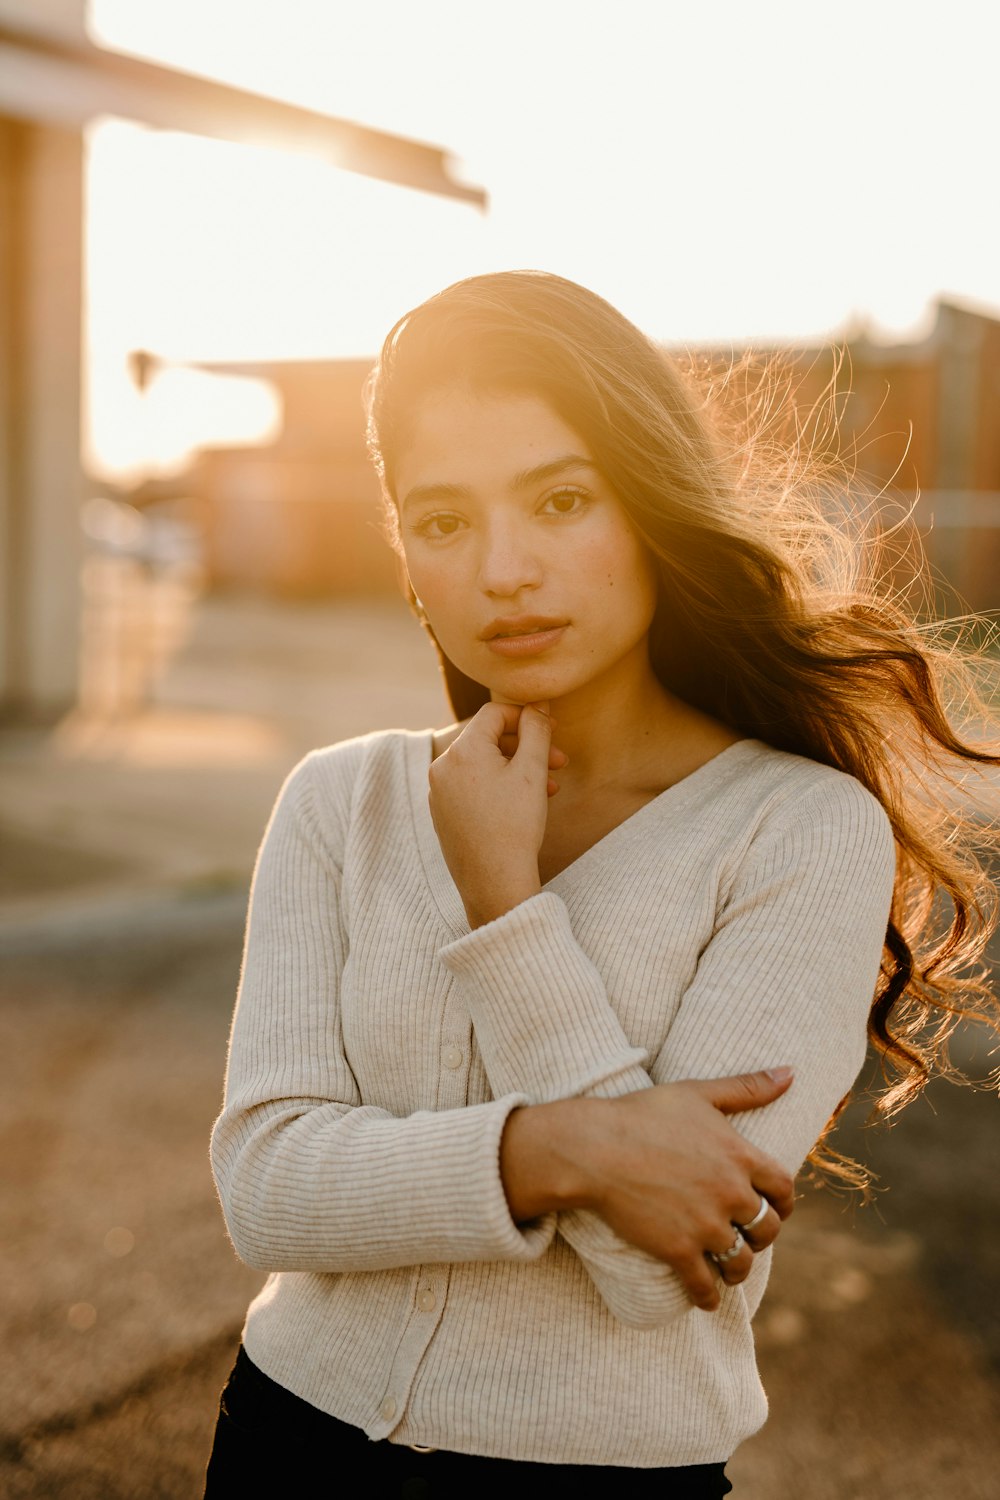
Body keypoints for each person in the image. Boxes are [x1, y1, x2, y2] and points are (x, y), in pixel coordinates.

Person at [204, 271, 999, 1497]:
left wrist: (505, 909)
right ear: (405, 556)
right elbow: (268, 1188)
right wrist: (568, 1146)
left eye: (560, 499)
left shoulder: (798, 831)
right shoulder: (340, 800)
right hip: (285, 1440)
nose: (503, 569)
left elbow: (656, 1268)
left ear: (645, 504)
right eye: (444, 520)